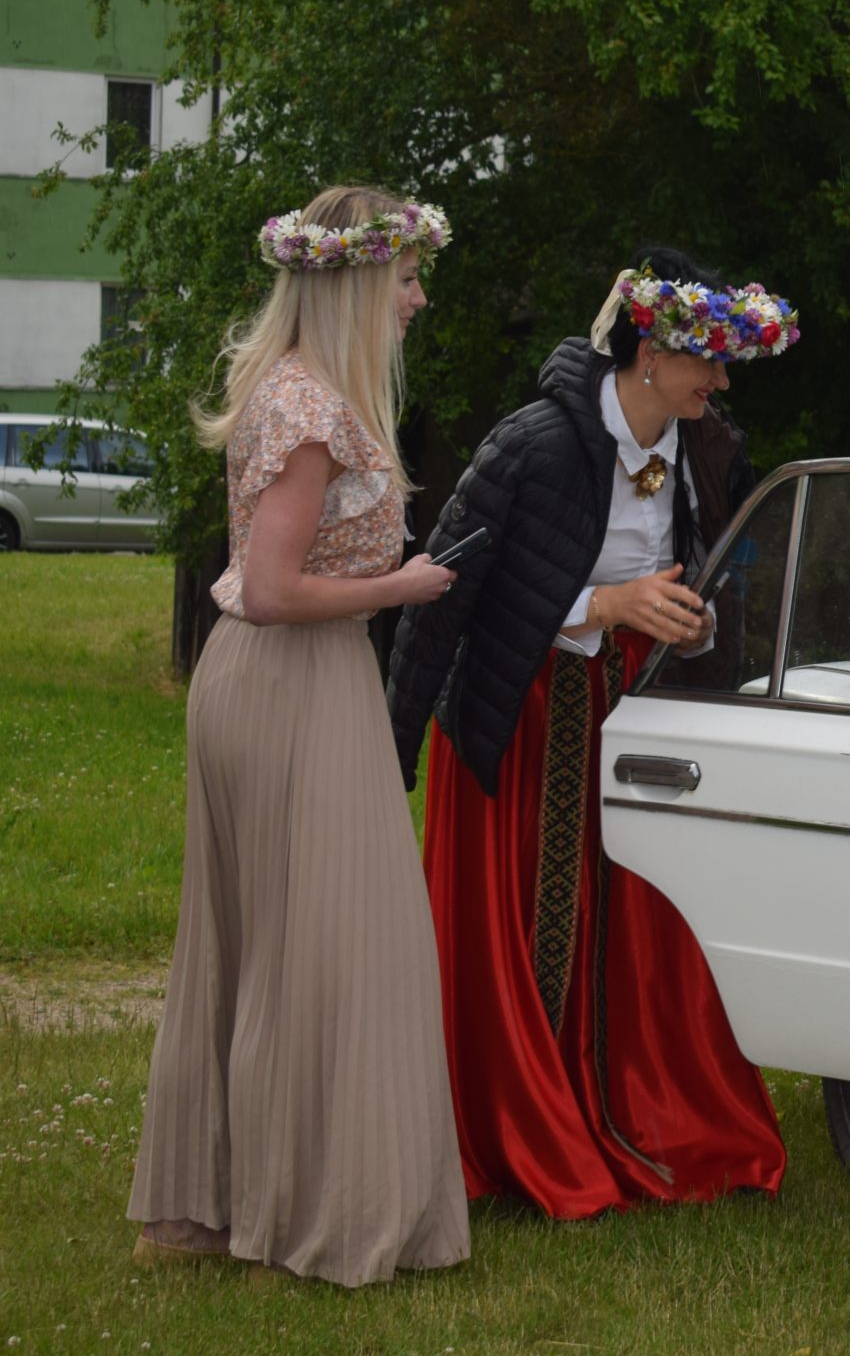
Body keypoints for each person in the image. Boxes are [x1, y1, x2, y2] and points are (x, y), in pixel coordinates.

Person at [385, 249, 798, 1218]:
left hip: (633, 709)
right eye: (707, 358)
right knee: (533, 922)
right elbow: (448, 595)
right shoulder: (533, 442)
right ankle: (528, 1126)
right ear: (650, 352)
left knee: (642, 913)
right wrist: (390, 751)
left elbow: (709, 574)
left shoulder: (705, 448)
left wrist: (693, 622)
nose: (721, 380)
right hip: (523, 710)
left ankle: (634, 1103)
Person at [128, 185, 470, 1285]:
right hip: (290, 678)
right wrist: (400, 587)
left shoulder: (299, 390)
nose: (417, 299)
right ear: (357, 284)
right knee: (329, 946)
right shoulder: (310, 408)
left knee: (285, 944)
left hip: (288, 677)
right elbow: (272, 588)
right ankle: (318, 1213)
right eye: (406, 279)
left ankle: (259, 1198)